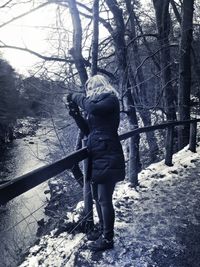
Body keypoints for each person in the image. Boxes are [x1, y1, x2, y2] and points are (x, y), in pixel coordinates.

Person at [66, 74, 125, 251]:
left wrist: (74, 96)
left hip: (108, 154)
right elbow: (88, 130)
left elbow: (92, 108)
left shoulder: (111, 100)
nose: (88, 93)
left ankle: (108, 239)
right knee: (98, 199)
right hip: (97, 154)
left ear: (96, 87)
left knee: (104, 199)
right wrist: (75, 114)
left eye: (89, 89)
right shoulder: (97, 106)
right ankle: (103, 230)